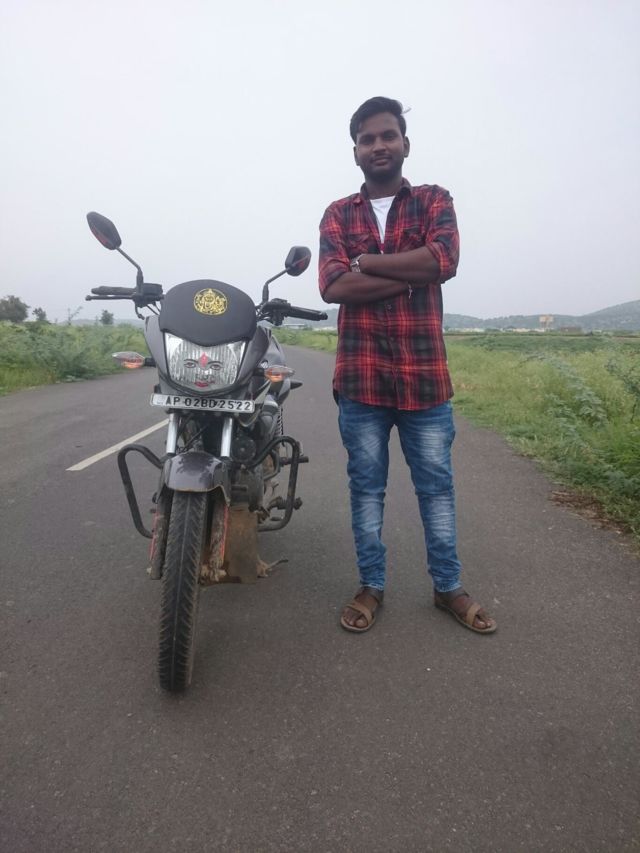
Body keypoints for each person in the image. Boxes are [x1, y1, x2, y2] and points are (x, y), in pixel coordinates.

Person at [318, 96, 496, 635]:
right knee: (366, 489)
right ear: (355, 151)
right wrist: (412, 276)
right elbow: (333, 286)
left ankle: (448, 587)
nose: (379, 145)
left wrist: (367, 263)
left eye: (387, 135)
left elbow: (444, 260)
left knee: (436, 488)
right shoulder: (338, 214)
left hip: (425, 379)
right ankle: (371, 586)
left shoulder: (434, 200)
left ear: (405, 144)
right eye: (367, 139)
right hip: (361, 380)